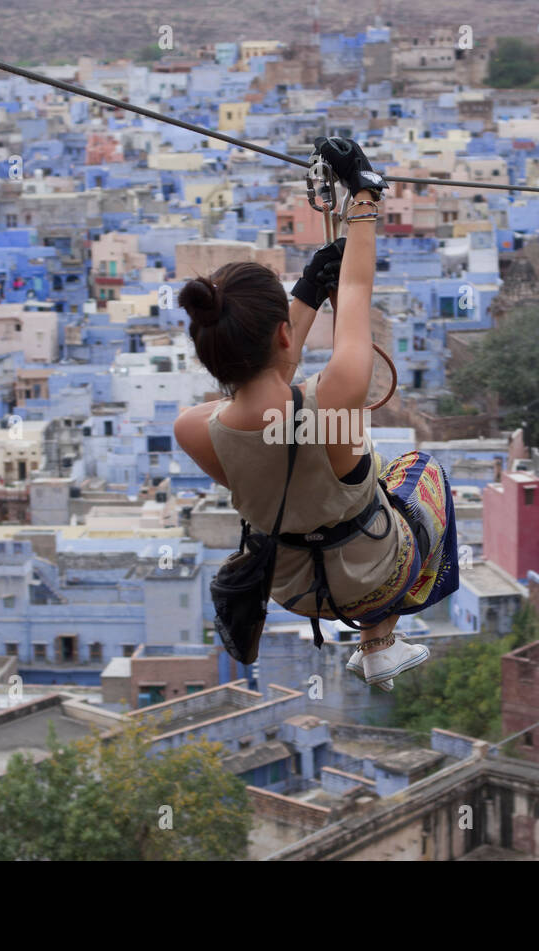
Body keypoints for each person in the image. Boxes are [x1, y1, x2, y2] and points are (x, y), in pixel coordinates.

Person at [175, 137, 459, 690]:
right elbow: (355, 288)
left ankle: (377, 642)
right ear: (285, 334)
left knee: (349, 492)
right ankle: (382, 639)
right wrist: (365, 197)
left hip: (295, 590)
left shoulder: (194, 430)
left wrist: (303, 295)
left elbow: (260, 395)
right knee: (422, 471)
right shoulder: (336, 395)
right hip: (378, 577)